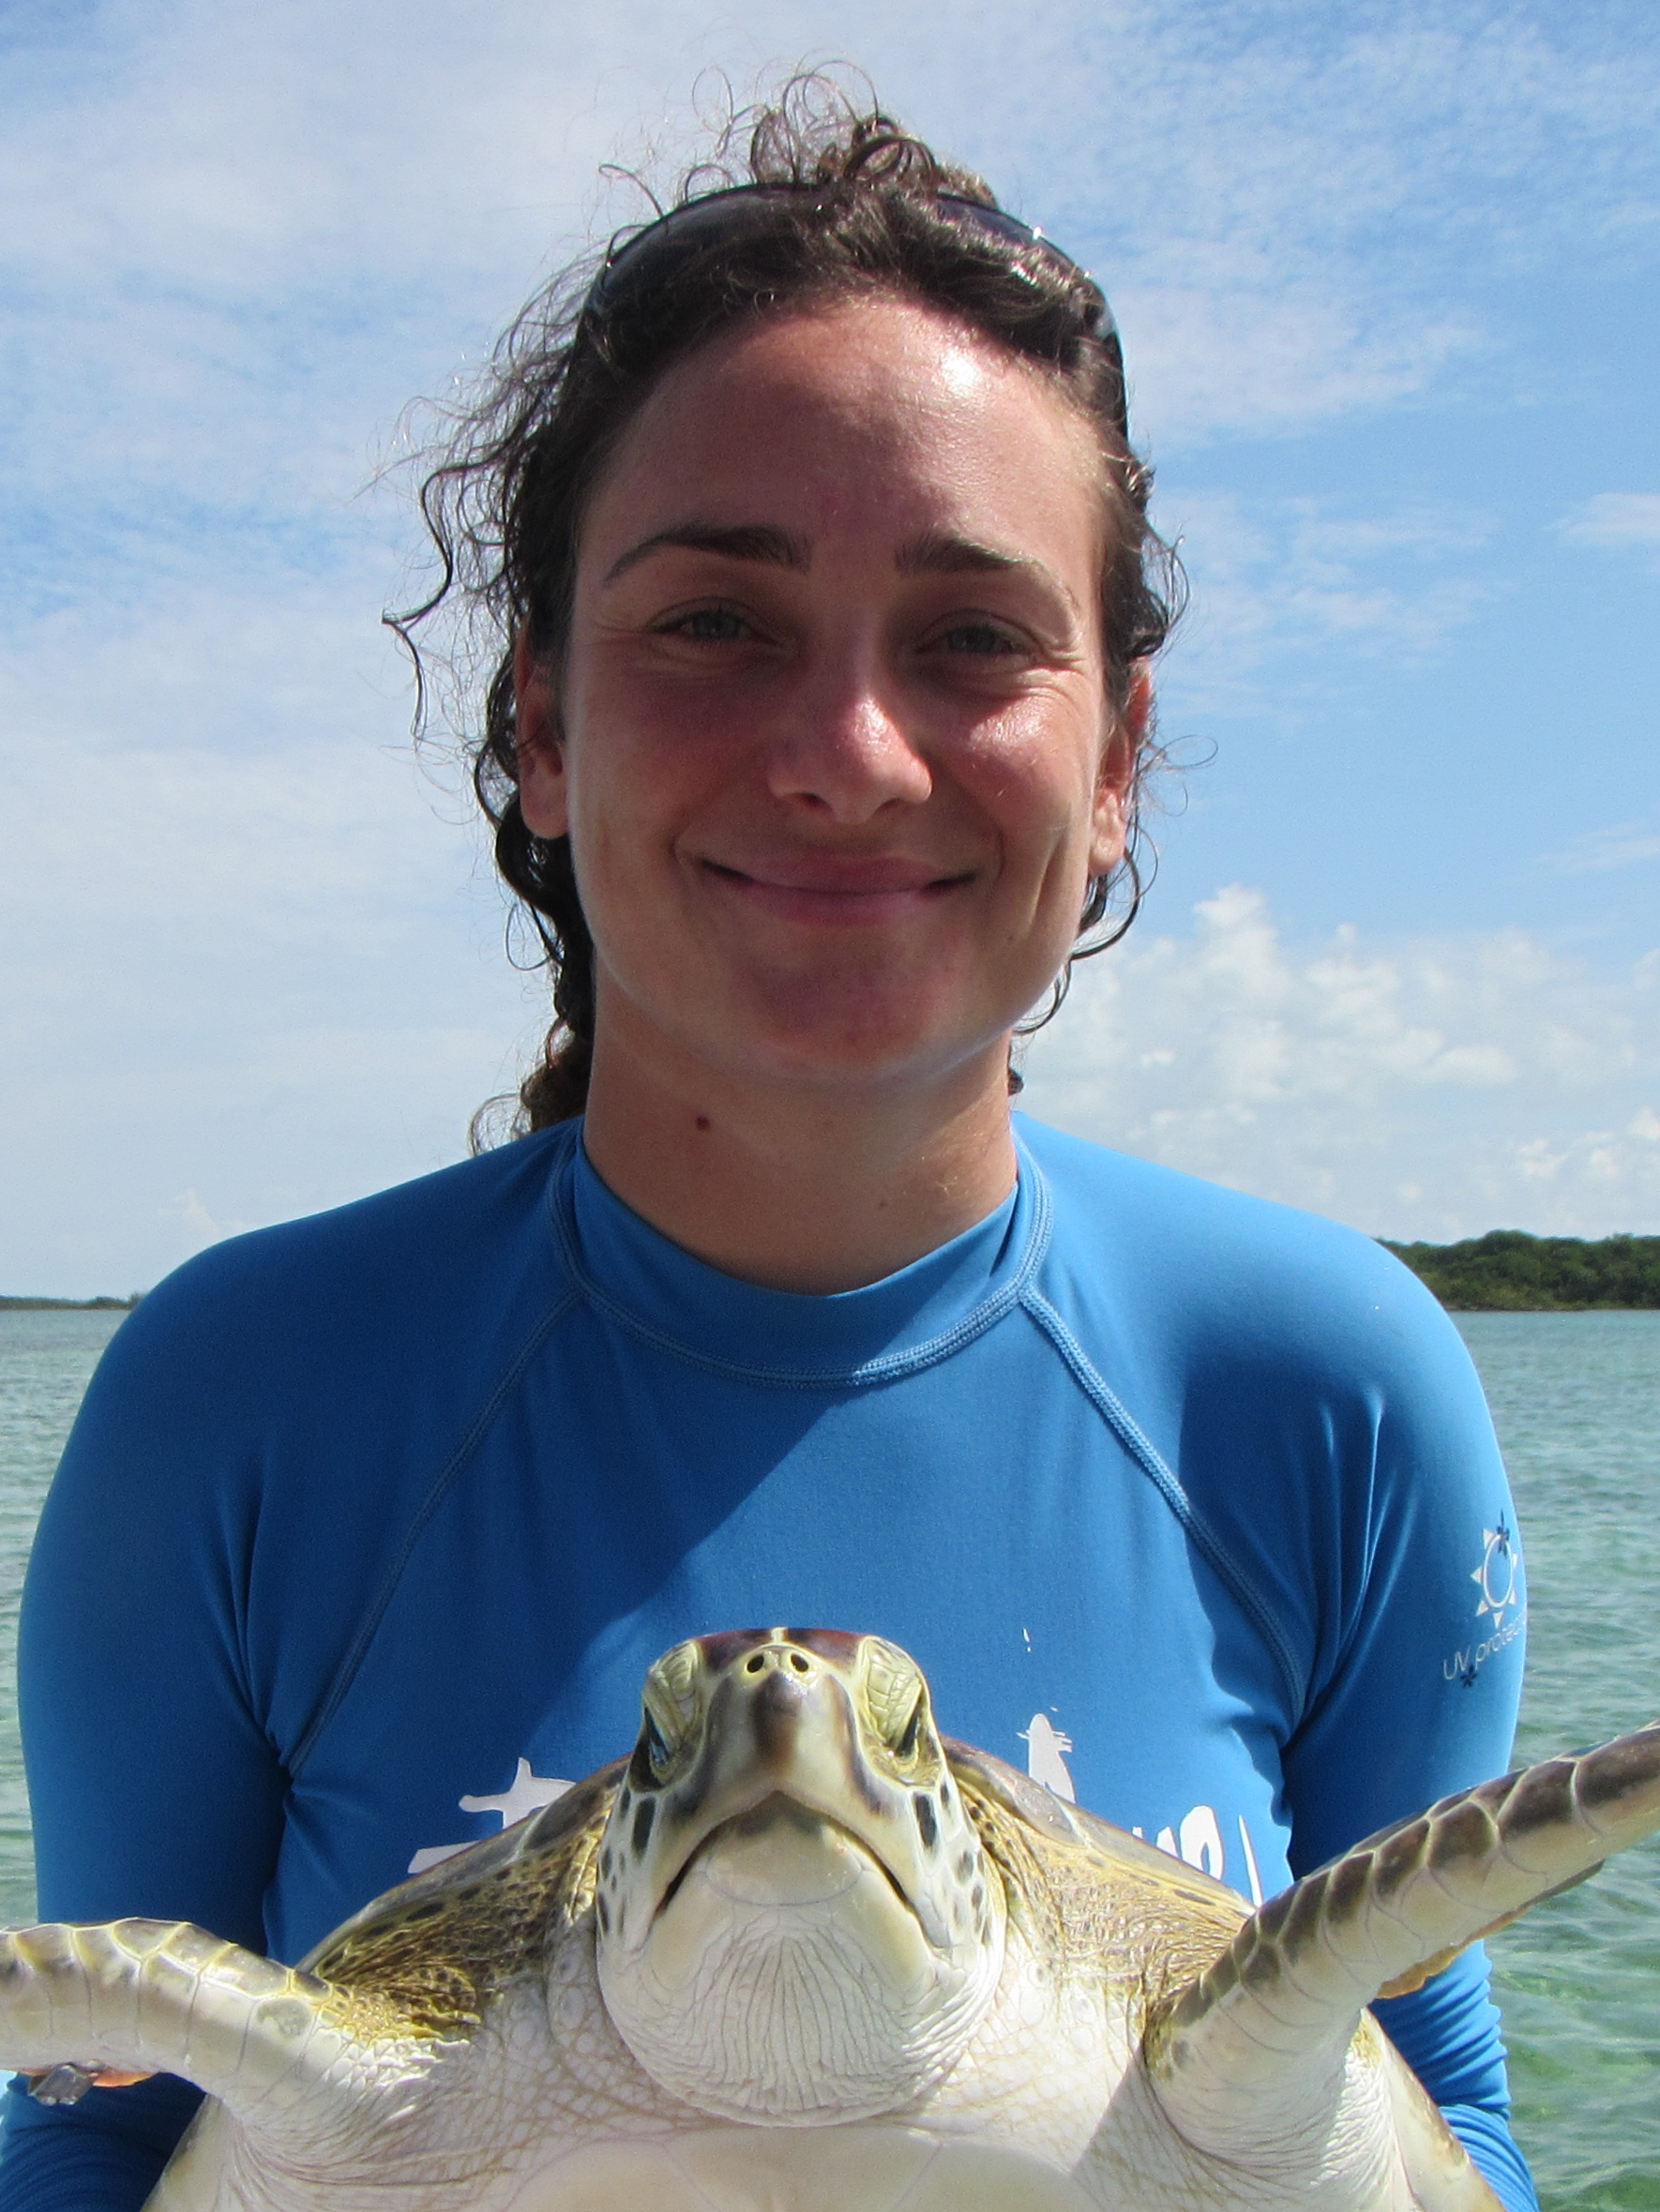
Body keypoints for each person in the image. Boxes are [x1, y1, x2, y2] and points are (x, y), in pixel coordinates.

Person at [2, 88, 1536, 2210]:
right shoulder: (247, 1401)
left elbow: (1444, 2122)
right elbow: (90, 2152)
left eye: (974, 637)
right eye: (716, 623)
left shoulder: (1330, 1393)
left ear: (1117, 760)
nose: (847, 754)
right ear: (541, 719)